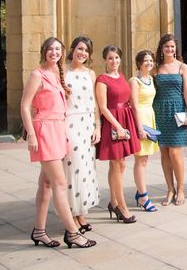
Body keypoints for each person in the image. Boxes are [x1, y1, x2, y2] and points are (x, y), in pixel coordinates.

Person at [21, 37, 96, 249]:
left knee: (45, 184)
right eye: (50, 49)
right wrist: (32, 134)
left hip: (58, 130)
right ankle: (72, 233)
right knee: (60, 184)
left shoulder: (57, 73)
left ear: (62, 52)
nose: (54, 53)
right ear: (44, 51)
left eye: (57, 49)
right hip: (44, 131)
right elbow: (25, 106)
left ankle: (39, 231)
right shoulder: (38, 74)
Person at [96, 45, 141, 223]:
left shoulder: (121, 76)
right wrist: (117, 127)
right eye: (110, 58)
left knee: (121, 165)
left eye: (116, 58)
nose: (114, 61)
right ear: (105, 60)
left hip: (125, 118)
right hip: (113, 122)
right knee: (116, 163)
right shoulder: (101, 80)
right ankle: (122, 207)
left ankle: (113, 202)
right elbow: (103, 108)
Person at [63, 36, 100, 233]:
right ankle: (71, 214)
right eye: (80, 48)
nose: (83, 53)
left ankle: (81, 213)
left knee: (85, 169)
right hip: (70, 122)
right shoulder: (62, 71)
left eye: (86, 50)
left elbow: (95, 103)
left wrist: (97, 126)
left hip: (87, 124)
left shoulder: (90, 73)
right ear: (72, 49)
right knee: (73, 166)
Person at [153, 34, 187, 206]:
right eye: (166, 46)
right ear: (161, 49)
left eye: (172, 46)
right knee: (164, 152)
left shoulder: (182, 66)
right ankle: (170, 189)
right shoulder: (155, 68)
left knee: (175, 153)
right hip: (160, 111)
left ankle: (181, 188)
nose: (170, 49)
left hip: (178, 111)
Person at [128, 50, 158, 212]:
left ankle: (140, 193)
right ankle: (143, 196)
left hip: (149, 117)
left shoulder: (150, 79)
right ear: (139, 63)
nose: (149, 63)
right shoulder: (134, 81)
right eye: (145, 61)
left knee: (144, 159)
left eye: (151, 60)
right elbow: (133, 105)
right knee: (140, 159)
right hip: (140, 120)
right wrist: (139, 128)